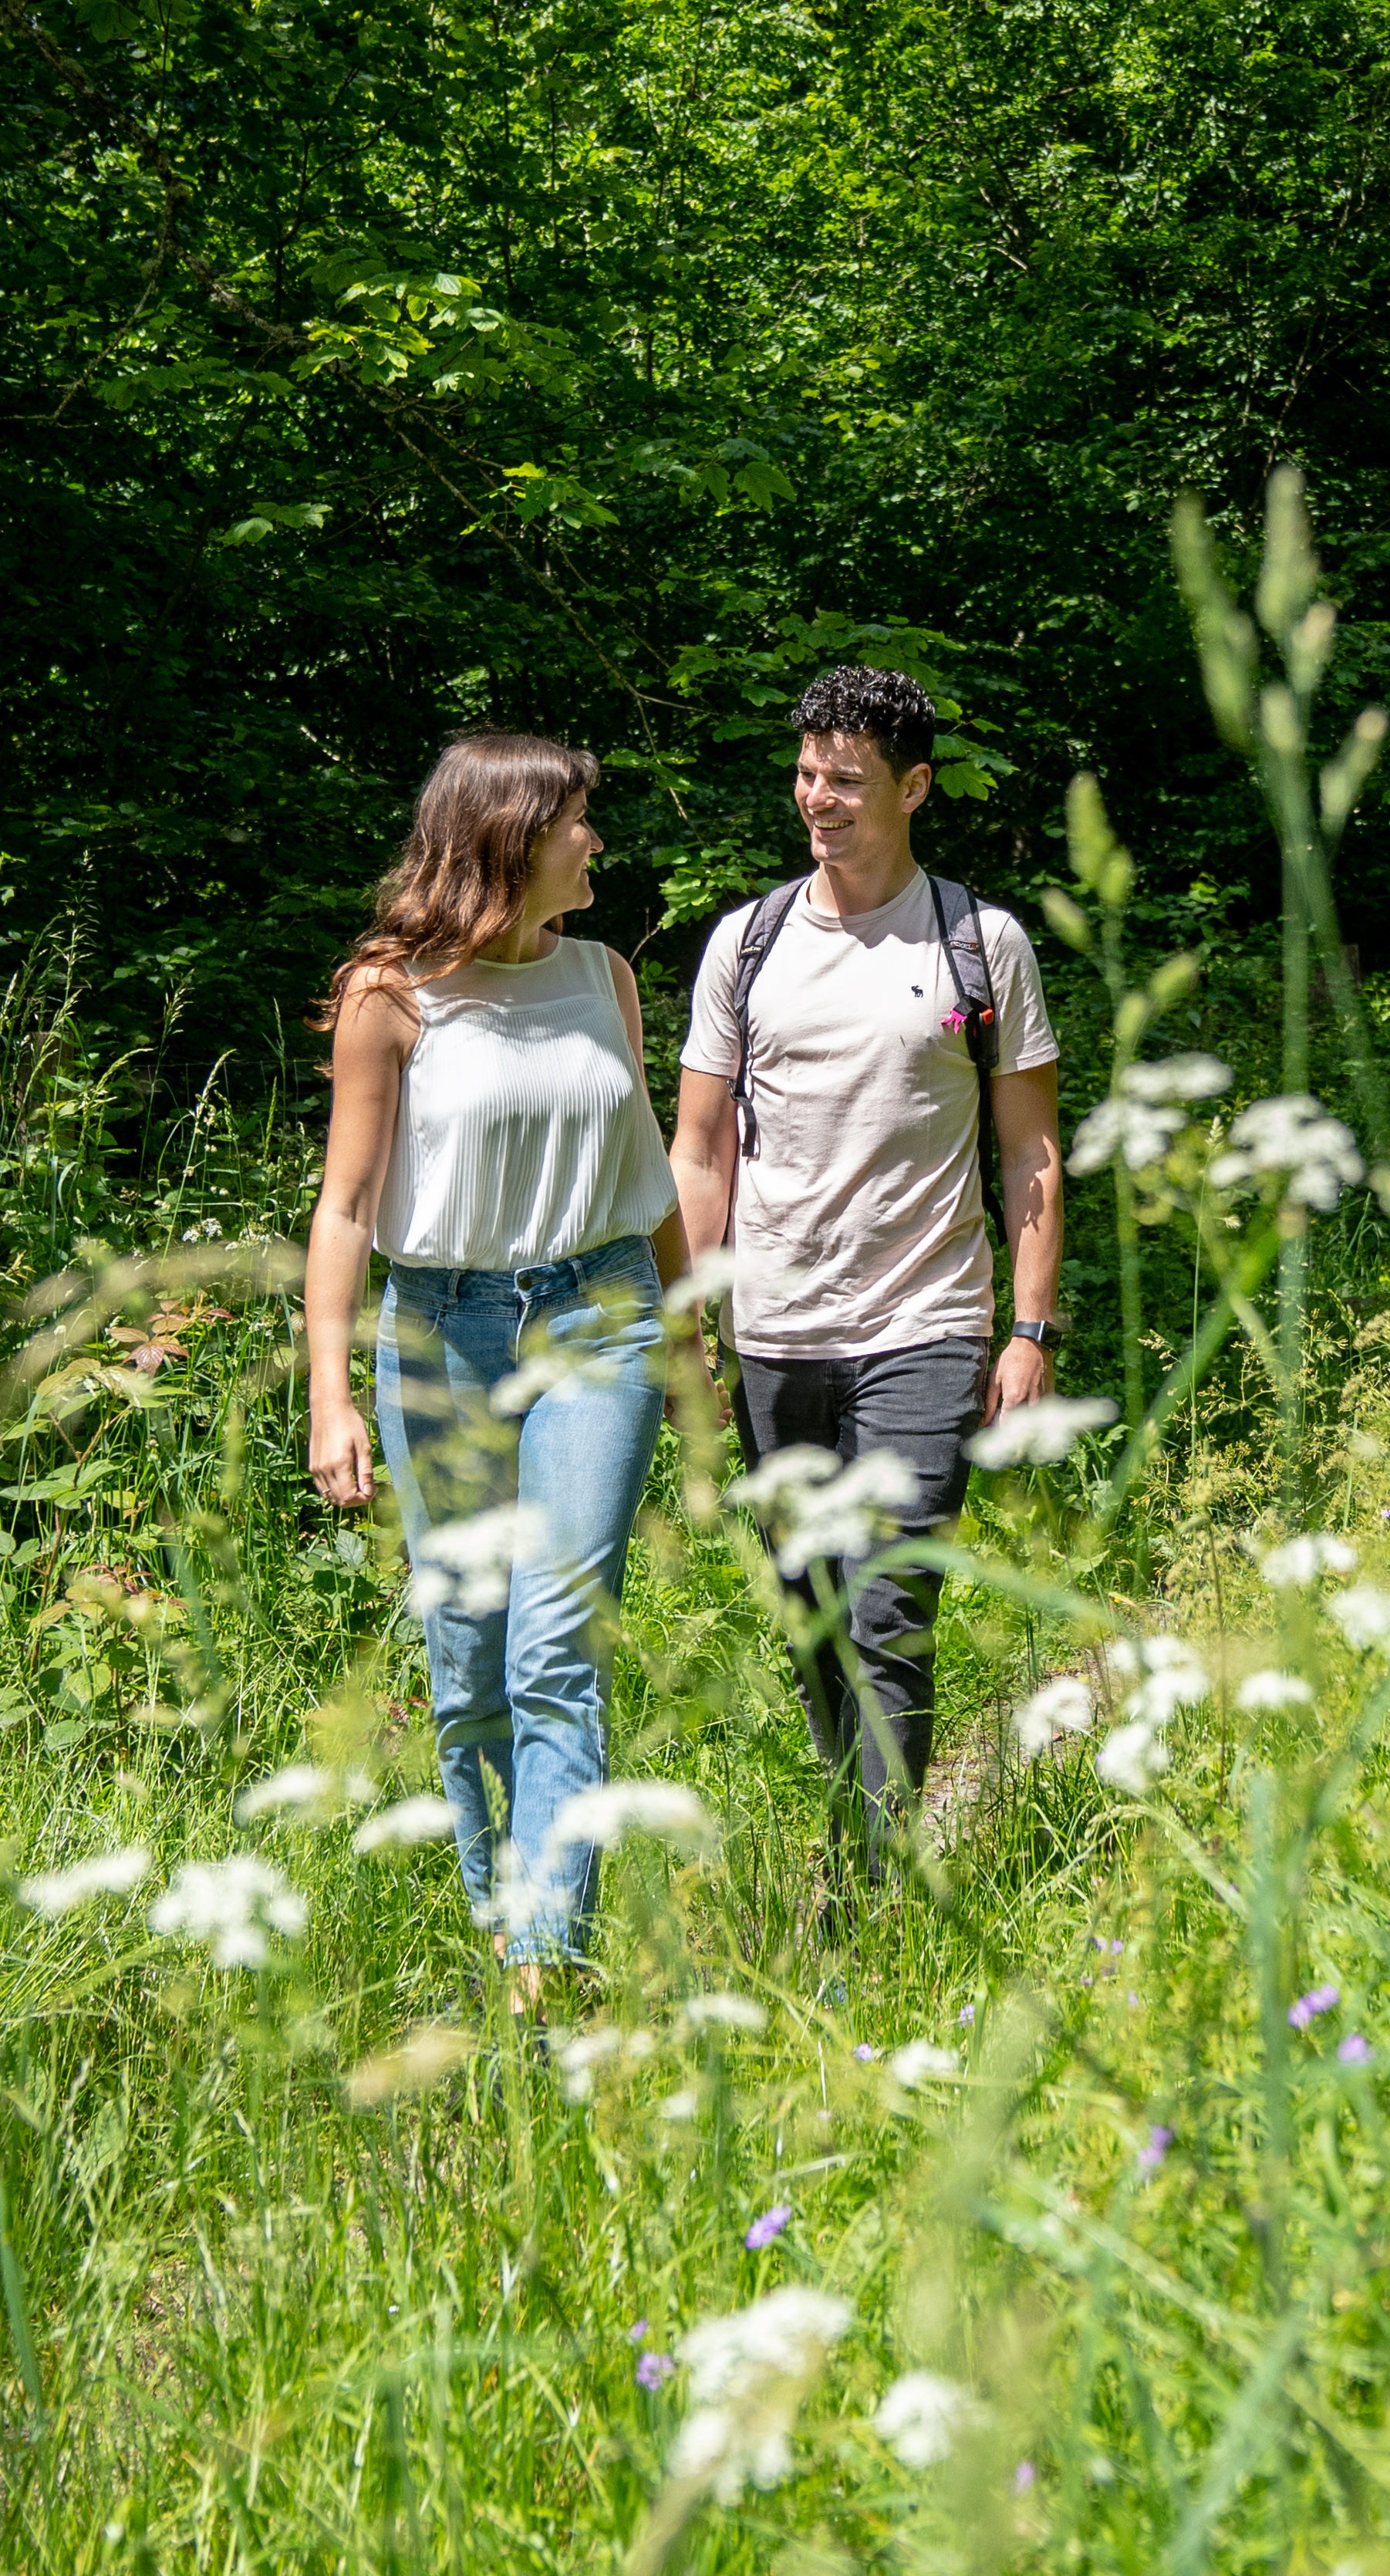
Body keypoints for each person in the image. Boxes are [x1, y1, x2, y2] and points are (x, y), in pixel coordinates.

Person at [304, 734, 687, 2008]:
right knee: (465, 1652)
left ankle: (543, 1952)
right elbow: (348, 1205)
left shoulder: (605, 977)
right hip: (441, 1332)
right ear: (511, 836)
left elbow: (647, 1172)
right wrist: (331, 1392)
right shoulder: (391, 993)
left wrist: (690, 1332)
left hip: (600, 1317)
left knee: (554, 1650)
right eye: (579, 820)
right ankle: (493, 1901)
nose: (596, 841)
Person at [673, 665, 1063, 1913]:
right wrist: (687, 1319)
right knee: (815, 1614)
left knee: (888, 1603)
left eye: (845, 779)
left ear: (913, 786)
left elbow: (1028, 1150)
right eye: (805, 775)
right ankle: (859, 1823)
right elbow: (699, 1150)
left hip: (928, 1321)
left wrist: (1030, 1326)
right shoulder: (747, 943)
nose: (819, 800)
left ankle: (875, 1890)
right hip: (777, 1329)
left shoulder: (977, 940)